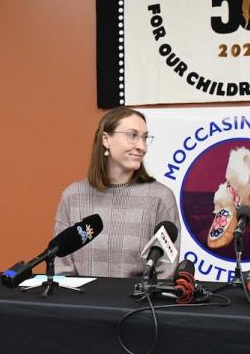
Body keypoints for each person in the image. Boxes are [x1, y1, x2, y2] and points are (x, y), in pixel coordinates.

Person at [53, 107, 180, 279]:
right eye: (132, 135)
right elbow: (62, 268)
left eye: (144, 137)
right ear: (106, 139)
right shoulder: (73, 196)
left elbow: (166, 272)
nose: (142, 146)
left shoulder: (161, 198)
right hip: (80, 304)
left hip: (139, 305)